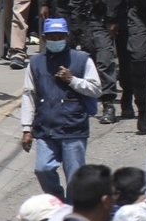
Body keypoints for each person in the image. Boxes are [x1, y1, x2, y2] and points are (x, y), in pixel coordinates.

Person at [20, 16, 100, 199]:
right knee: (42, 169)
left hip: (73, 127)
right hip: (45, 129)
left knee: (74, 177)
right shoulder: (36, 62)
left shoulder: (82, 60)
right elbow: (29, 95)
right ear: (43, 37)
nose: (56, 40)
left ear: (67, 36)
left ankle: (72, 212)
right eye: (51, 37)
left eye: (59, 36)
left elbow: (96, 89)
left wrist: (72, 80)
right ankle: (57, 201)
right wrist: (26, 128)